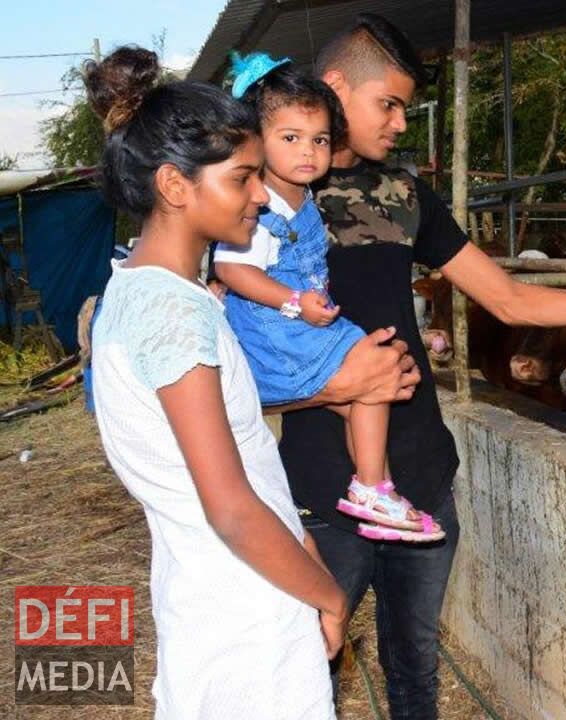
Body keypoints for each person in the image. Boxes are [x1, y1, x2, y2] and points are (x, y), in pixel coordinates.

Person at [280, 14, 566, 718]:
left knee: (415, 672)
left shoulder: (404, 197)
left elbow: (509, 296)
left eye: (406, 107)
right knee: (303, 667)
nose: (402, 123)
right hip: (323, 488)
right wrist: (324, 390)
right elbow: (229, 355)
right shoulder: (267, 201)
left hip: (423, 477)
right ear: (335, 86)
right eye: (389, 104)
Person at [84, 44, 419, 718]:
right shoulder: (173, 317)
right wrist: (330, 598)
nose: (262, 195)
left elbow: (252, 469)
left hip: (226, 598)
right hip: (246, 625)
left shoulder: (154, 296)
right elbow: (231, 508)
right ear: (176, 187)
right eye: (243, 178)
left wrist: (310, 566)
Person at [213, 52, 439, 541]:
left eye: (318, 140)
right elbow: (231, 268)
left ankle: (374, 489)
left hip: (301, 321)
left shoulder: (302, 196)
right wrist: (293, 301)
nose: (308, 153)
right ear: (255, 140)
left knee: (370, 390)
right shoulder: (261, 204)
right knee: (375, 375)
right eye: (290, 139)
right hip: (276, 327)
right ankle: (372, 486)